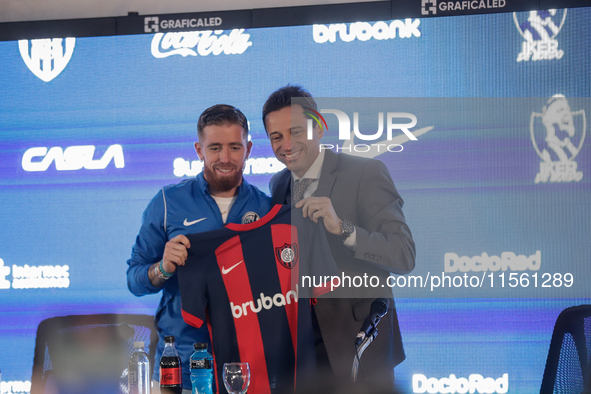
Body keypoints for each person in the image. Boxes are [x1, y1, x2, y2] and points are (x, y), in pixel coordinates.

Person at [262, 85, 416, 392]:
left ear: (319, 127)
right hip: (300, 348)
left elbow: (404, 254)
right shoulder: (278, 183)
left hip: (357, 342)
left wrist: (343, 229)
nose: (286, 144)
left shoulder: (366, 172)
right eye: (276, 137)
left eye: (295, 131)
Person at [126, 104, 271, 393]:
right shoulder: (168, 202)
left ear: (249, 148)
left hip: (245, 367)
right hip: (179, 364)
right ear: (198, 149)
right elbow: (135, 280)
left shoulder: (266, 208)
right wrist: (163, 268)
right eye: (215, 147)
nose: (225, 158)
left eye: (234, 147)